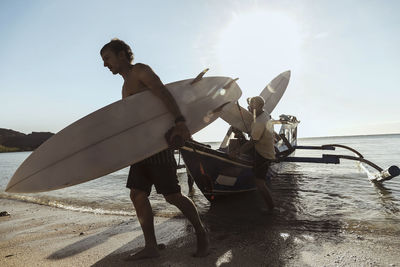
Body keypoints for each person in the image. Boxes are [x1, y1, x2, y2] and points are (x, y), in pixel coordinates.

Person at [100, 38, 209, 260]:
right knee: (137, 195)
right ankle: (151, 246)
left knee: (172, 195)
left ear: (122, 55)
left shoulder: (140, 71)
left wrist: (179, 122)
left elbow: (163, 93)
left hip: (157, 146)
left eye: (107, 58)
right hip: (140, 149)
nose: (105, 64)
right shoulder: (124, 85)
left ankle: (201, 232)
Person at [229, 96, 275, 210]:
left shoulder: (260, 122)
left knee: (259, 183)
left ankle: (271, 208)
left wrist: (238, 152)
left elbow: (253, 142)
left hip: (263, 154)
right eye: (249, 104)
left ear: (258, 106)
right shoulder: (264, 113)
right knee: (238, 133)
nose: (249, 107)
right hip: (263, 148)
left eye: (251, 105)